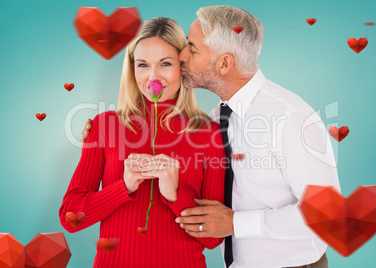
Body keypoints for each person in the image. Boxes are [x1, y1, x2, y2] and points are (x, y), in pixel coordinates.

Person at [82, 6, 341, 268]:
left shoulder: (289, 117)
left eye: (192, 49)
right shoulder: (217, 119)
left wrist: (234, 223)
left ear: (224, 63)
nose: (181, 55)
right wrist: (104, 139)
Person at [60, 17, 226, 268]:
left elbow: (214, 239)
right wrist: (123, 187)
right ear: (132, 69)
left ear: (182, 67)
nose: (153, 77)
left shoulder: (208, 132)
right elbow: (70, 218)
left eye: (165, 63)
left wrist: (174, 195)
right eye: (143, 65)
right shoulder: (105, 126)